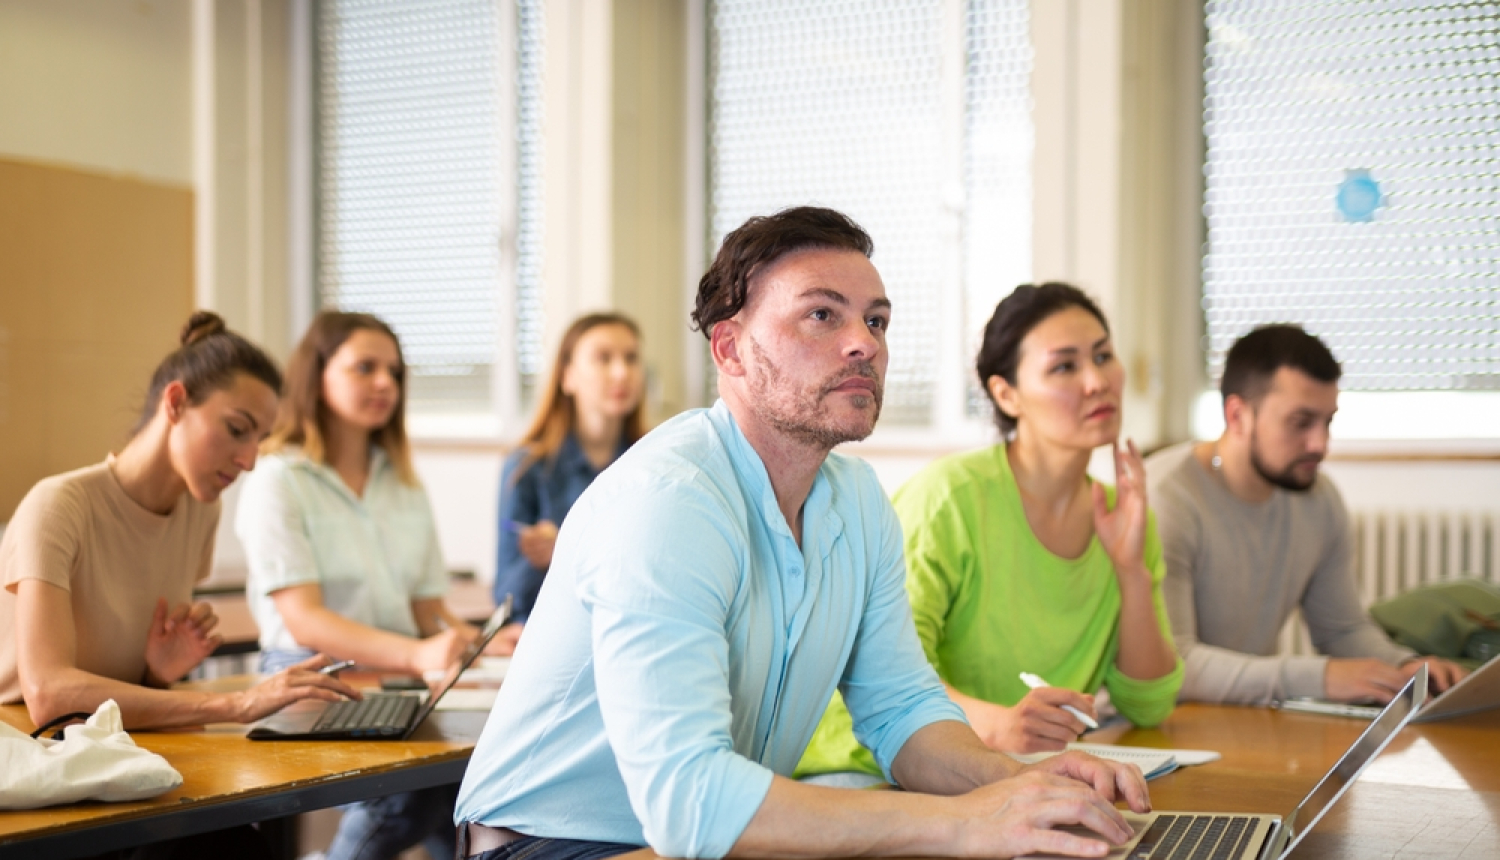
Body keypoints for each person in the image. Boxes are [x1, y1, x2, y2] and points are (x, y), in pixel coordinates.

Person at [454, 207, 1150, 860]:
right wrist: (967, 822)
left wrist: (1015, 785)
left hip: (700, 840)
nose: (863, 344)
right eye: (822, 315)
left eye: (876, 321)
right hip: (551, 844)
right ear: (729, 348)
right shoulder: (669, 500)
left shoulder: (857, 501)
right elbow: (688, 800)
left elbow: (901, 710)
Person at [798, 284, 1181, 780]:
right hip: (868, 764)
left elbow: (1148, 704)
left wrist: (1131, 570)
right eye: (1064, 366)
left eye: (1103, 356)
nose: (1096, 382)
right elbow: (882, 682)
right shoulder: (951, 498)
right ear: (1006, 394)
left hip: (1007, 772)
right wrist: (999, 727)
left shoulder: (1122, 515)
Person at [0, 311, 356, 731]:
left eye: (260, 439)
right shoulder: (58, 506)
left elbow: (111, 687)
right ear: (175, 403)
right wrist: (237, 704)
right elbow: (49, 695)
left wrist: (156, 673)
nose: (248, 461)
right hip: (27, 747)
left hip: (112, 741)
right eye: (237, 429)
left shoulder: (201, 509)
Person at [235, 311, 476, 860]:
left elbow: (427, 608)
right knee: (402, 801)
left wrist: (477, 637)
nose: (385, 383)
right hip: (310, 673)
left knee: (469, 787)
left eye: (394, 371)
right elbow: (305, 620)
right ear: (317, 376)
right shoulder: (278, 478)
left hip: (396, 671)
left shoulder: (403, 479)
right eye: (364, 368)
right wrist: (419, 654)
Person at [1146, 324, 1467, 706]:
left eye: (1328, 421)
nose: (1320, 444)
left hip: (1244, 719)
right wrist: (1319, 677)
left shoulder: (1317, 498)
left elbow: (1342, 629)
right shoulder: (1166, 499)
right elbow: (1173, 666)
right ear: (1238, 415)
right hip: (1157, 726)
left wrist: (1407, 668)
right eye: (1301, 423)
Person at [491, 312, 646, 649]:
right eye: (603, 358)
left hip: (632, 640)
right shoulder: (525, 468)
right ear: (568, 377)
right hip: (552, 645)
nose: (622, 372)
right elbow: (505, 597)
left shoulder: (655, 464)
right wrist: (540, 561)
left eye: (631, 358)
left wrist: (568, 551)